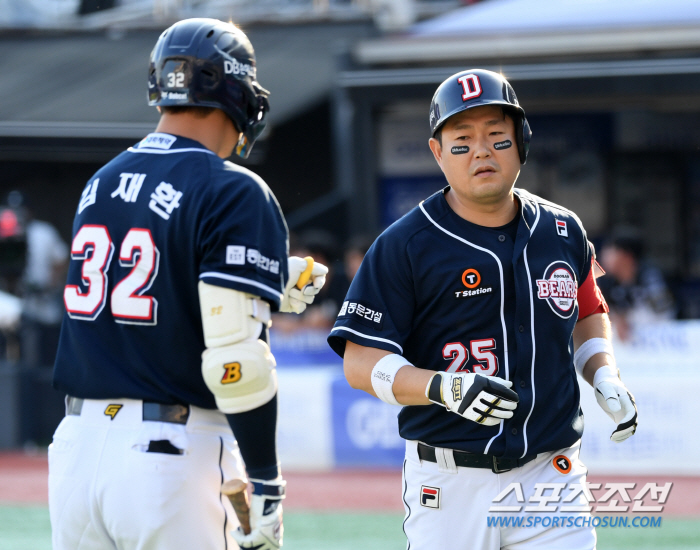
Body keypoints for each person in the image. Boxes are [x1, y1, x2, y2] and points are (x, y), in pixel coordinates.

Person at [328, 69, 638, 550]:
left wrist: (603, 373)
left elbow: (586, 309)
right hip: (449, 482)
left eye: (497, 136)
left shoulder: (563, 229)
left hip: (550, 476)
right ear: (437, 151)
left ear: (521, 141)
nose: (481, 151)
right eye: (462, 139)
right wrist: (443, 387)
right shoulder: (403, 245)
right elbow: (360, 364)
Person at [49, 18, 327, 550]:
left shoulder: (100, 181)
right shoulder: (233, 188)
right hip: (170, 454)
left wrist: (266, 274)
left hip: (76, 452)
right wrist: (267, 481)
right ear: (236, 90)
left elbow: (148, 288)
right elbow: (236, 363)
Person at [598, 227, 675, 340]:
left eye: (610, 250)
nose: (604, 255)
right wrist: (616, 318)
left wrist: (628, 320)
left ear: (626, 256)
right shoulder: (608, 282)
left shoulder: (650, 277)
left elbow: (664, 314)